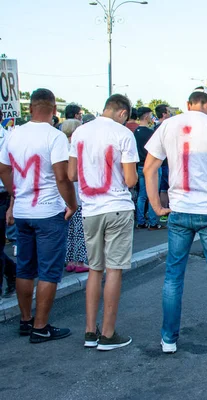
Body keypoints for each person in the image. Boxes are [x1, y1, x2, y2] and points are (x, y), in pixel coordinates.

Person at [144, 86, 207, 356]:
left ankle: (168, 339)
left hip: (179, 209)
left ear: (188, 103)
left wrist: (156, 204)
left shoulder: (168, 125)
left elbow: (149, 167)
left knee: (173, 277)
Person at [0, 88, 78, 343]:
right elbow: (61, 176)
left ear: (31, 108)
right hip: (48, 212)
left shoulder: (13, 134)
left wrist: (16, 192)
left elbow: (3, 169)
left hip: (23, 211)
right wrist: (72, 204)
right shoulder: (55, 137)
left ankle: (25, 321)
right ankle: (41, 326)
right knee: (48, 271)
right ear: (54, 110)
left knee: (25, 268)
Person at [69, 94, 138, 351]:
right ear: (122, 113)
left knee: (95, 271)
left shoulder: (80, 133)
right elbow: (130, 180)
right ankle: (108, 334)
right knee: (114, 270)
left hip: (90, 209)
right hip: (117, 206)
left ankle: (90, 332)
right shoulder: (123, 134)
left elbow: (71, 174)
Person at [61, 119, 89, 274]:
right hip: (78, 192)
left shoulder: (60, 145)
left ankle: (69, 260)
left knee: (69, 230)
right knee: (80, 229)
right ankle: (79, 260)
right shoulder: (76, 147)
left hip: (63, 195)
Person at [134, 107, 163, 230]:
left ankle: (140, 221)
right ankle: (152, 222)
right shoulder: (151, 133)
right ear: (146, 116)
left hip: (139, 165)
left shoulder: (135, 132)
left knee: (142, 195)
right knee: (153, 193)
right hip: (152, 166)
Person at [0, 126, 16, 298]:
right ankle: (12, 271)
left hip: (3, 195)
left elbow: (12, 172)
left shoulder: (8, 137)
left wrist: (12, 203)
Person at [155, 104, 171, 222]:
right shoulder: (165, 127)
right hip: (166, 162)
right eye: (168, 111)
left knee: (163, 189)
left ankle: (164, 211)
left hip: (160, 163)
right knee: (169, 187)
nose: (169, 113)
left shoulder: (155, 128)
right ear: (164, 114)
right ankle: (168, 210)